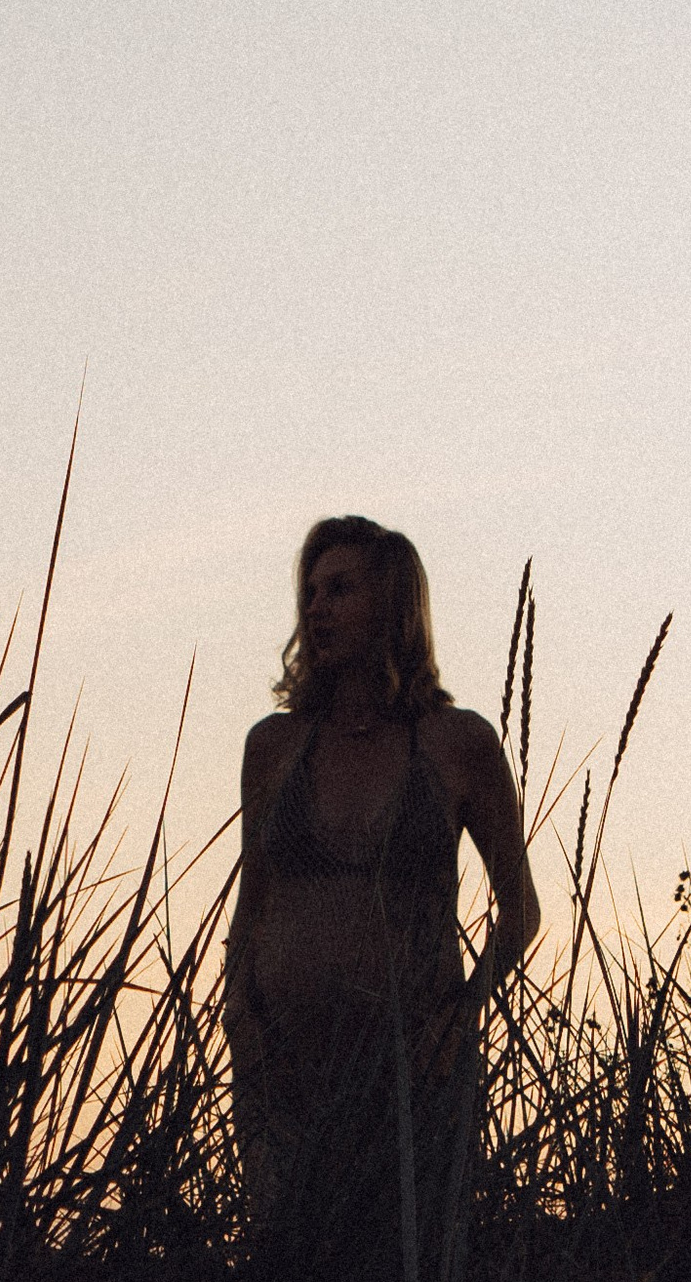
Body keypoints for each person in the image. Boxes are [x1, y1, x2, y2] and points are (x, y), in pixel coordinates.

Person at [225, 517, 541, 1223]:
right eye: (310, 590)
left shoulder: (460, 743)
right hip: (286, 1079)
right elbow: (254, 906)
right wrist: (240, 1019)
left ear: (392, 605)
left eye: (339, 588)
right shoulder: (273, 746)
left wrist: (459, 1020)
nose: (316, 607)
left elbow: (521, 909)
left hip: (413, 1081)